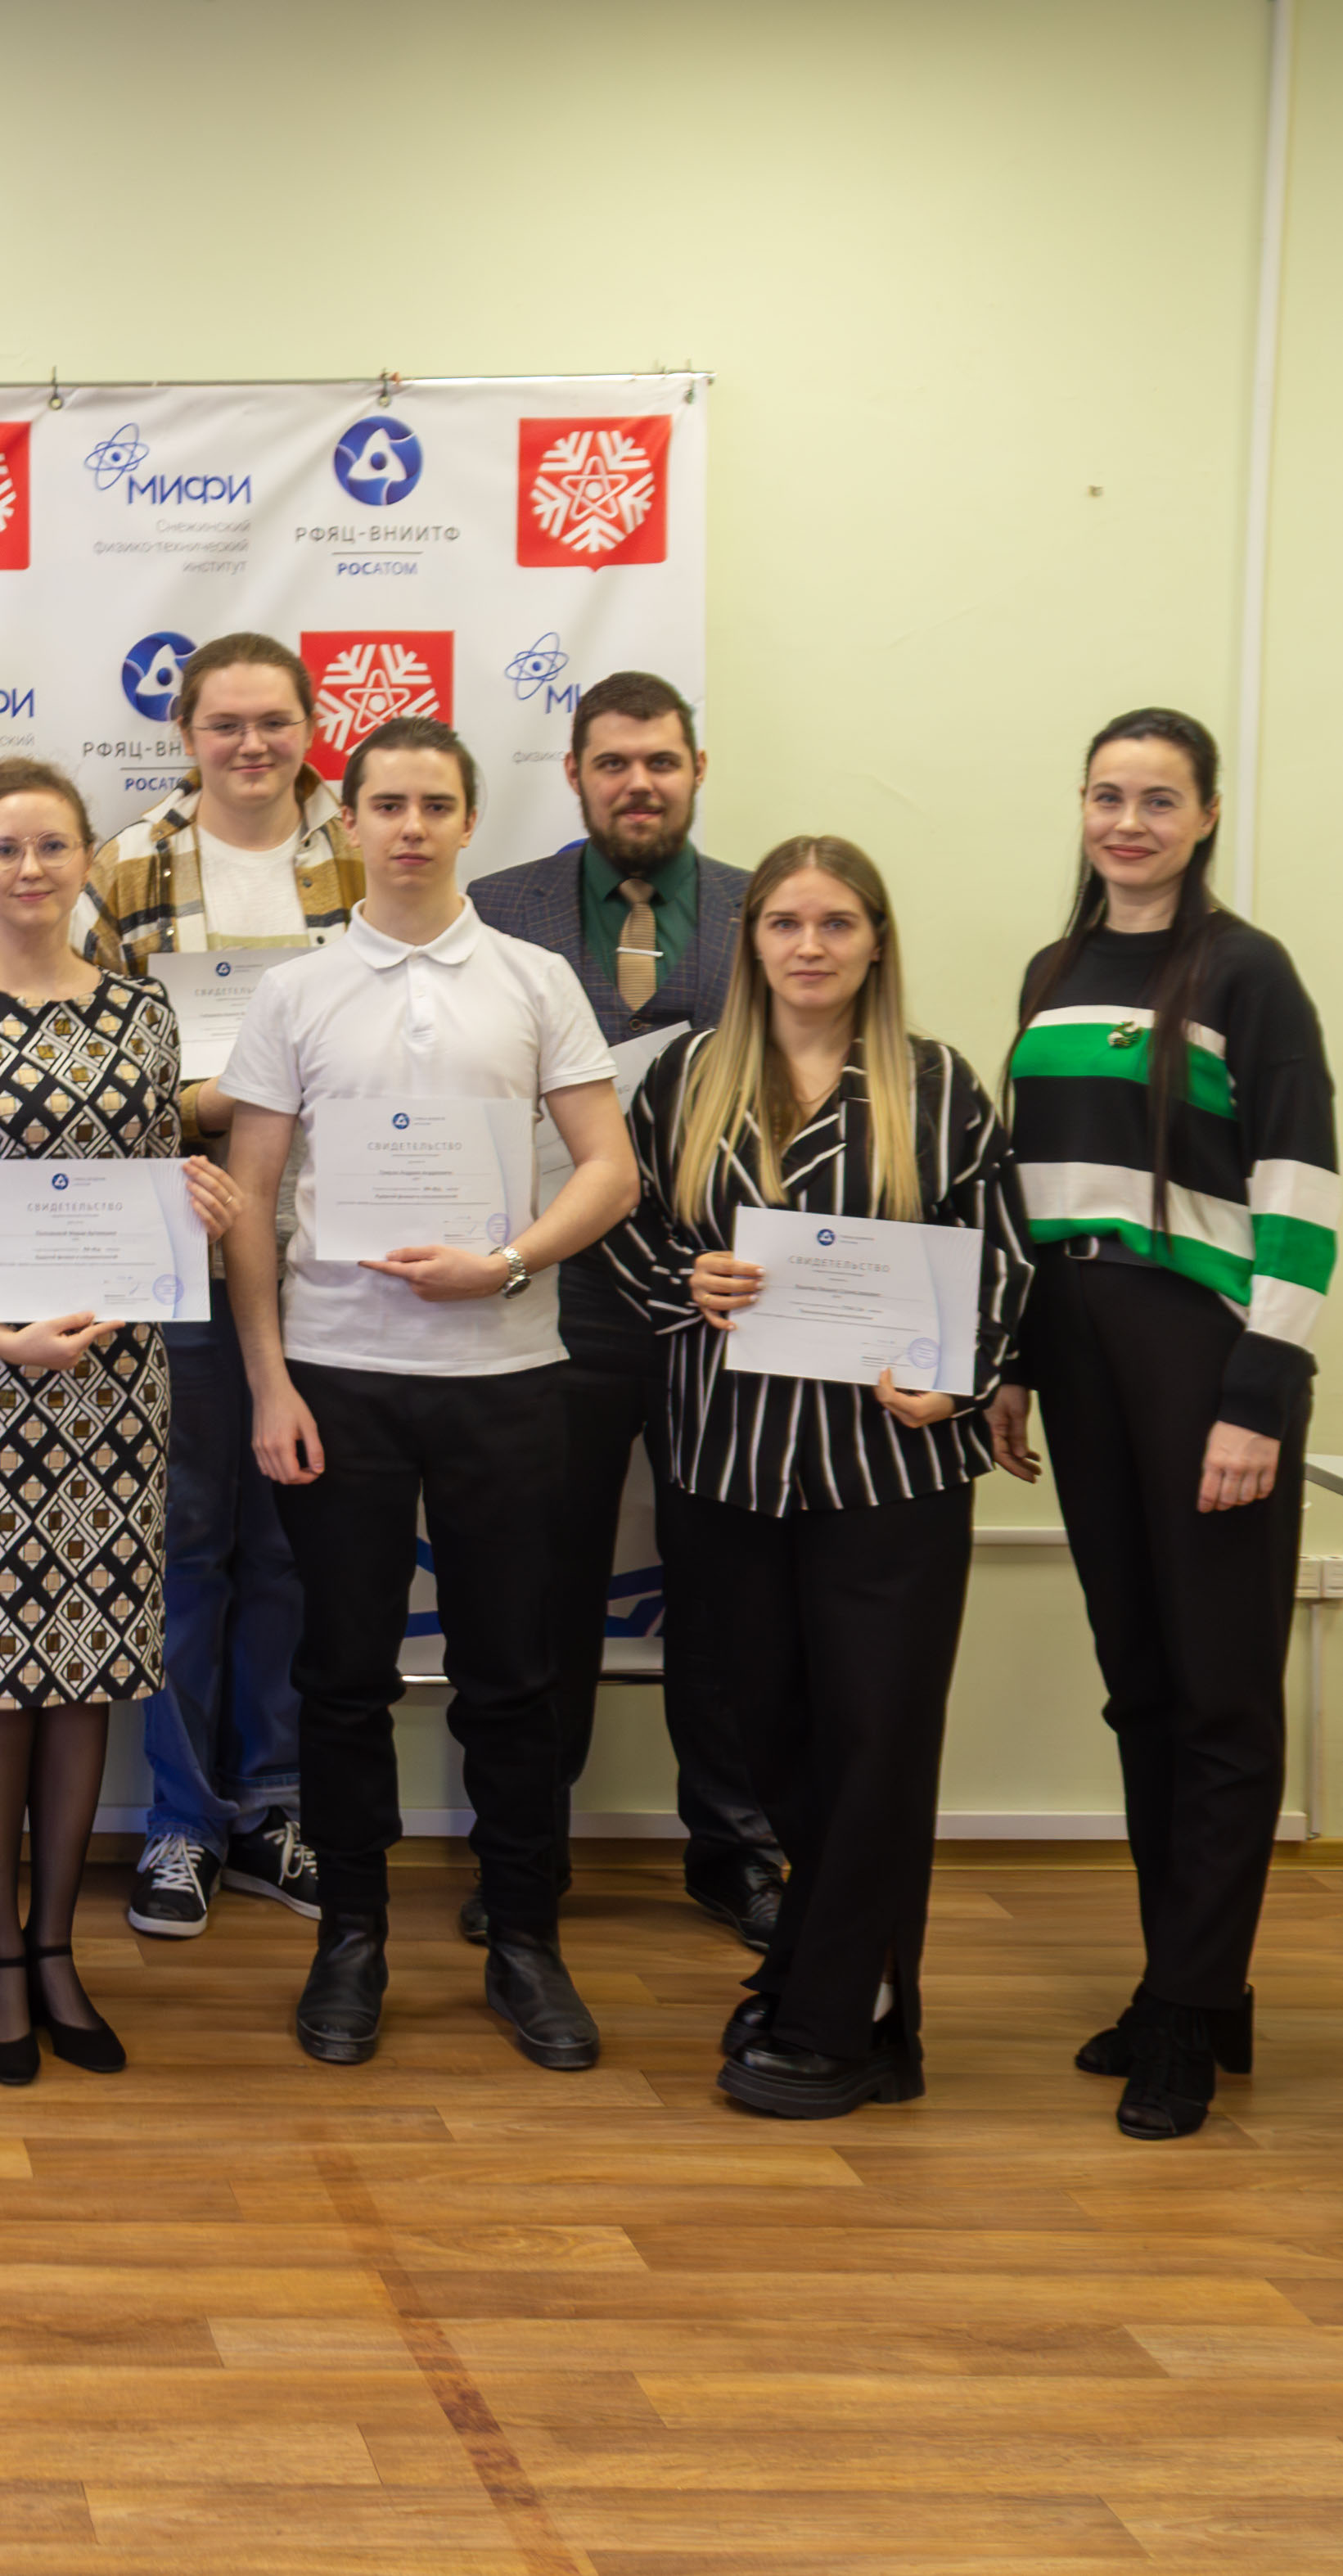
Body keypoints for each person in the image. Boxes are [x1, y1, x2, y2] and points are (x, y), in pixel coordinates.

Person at [218, 718, 635, 2073]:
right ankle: (351, 1934)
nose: (408, 826)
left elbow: (609, 1169)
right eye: (385, 803)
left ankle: (525, 1938)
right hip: (337, 1380)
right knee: (340, 1677)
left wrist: (504, 1262)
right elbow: (251, 1202)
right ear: (345, 820)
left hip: (503, 1377)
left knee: (513, 1676)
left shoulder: (533, 979)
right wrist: (269, 1380)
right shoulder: (294, 991)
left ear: (467, 821)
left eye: (433, 804)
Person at [598, 837, 1030, 2118]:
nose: (808, 944)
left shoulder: (938, 1086)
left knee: (877, 1743)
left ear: (875, 941)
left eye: (836, 921)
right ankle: (841, 1982)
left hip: (890, 1470)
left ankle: (836, 2016)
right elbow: (619, 1225)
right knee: (768, 1737)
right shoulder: (685, 1077)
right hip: (725, 1466)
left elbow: (1004, 1259)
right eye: (784, 921)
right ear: (750, 940)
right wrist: (686, 1278)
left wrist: (958, 1375)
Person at [991, 708, 1332, 2141]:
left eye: (1157, 799)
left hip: (1201, 1351)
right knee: (1138, 1681)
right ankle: (1186, 1980)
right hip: (1076, 1345)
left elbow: (1303, 1188)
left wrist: (1259, 1392)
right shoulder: (1053, 970)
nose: (1127, 822)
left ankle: (1189, 2011)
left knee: (1219, 1692)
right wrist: (1013, 1357)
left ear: (1203, 817)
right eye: (1107, 795)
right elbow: (1028, 1180)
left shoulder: (1249, 971)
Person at [0, 760, 236, 2085]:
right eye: (5, 848)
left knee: (84, 1673)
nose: (29, 868)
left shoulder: (144, 1017)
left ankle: (58, 1945)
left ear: (87, 859)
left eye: (51, 845)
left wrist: (193, 1199)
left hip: (116, 1388)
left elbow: (139, 1186)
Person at [470, 672, 778, 1951]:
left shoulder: (769, 907)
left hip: (730, 1296)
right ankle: (525, 1851)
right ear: (574, 774)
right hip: (561, 1288)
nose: (636, 783)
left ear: (696, 767)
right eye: (612, 761)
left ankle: (736, 1845)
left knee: (728, 1579)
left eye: (659, 760)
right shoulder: (499, 910)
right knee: (543, 1583)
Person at [80, 633, 363, 1941]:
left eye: (273, 721)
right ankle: (183, 1821)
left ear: (311, 725)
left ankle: (275, 1806)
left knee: (293, 1550)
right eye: (224, 724)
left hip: (346, 1250)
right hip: (181, 1254)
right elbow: (84, 1056)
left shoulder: (367, 853)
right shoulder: (125, 865)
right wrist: (216, 1105)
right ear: (185, 735)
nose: (250, 745)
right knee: (185, 1548)